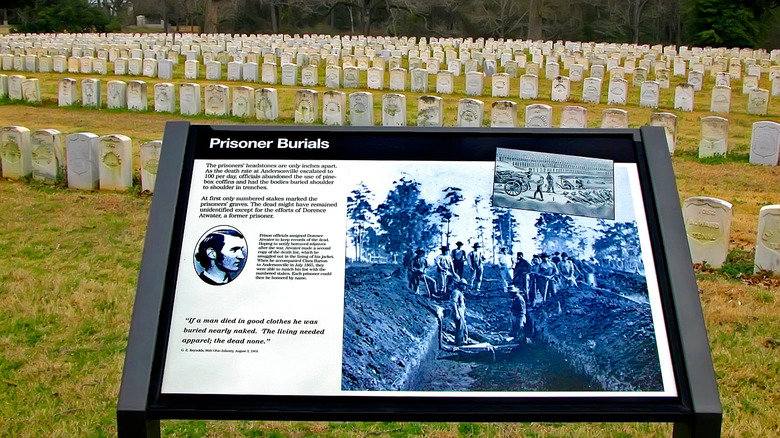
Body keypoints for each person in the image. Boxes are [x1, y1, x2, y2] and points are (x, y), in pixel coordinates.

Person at [451, 280, 469, 346]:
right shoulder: (456, 292)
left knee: (463, 327)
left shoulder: (461, 293)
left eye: (465, 285)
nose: (464, 287)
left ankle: (463, 340)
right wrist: (456, 313)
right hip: (458, 311)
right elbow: (453, 302)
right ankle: (459, 342)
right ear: (459, 285)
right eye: (463, 285)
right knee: (460, 327)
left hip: (461, 312)